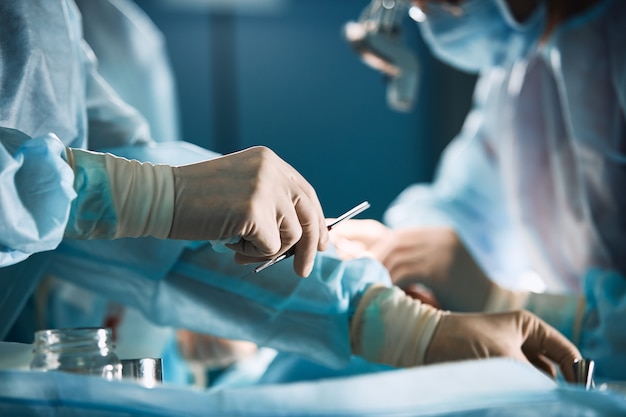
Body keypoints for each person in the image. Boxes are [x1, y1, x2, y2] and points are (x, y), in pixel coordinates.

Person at [0, 0, 581, 384]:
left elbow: (126, 197)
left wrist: (406, 327)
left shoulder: (49, 18)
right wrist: (151, 193)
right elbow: (120, 193)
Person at [331, 0, 626, 381]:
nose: (425, 8)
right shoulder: (518, 75)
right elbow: (468, 207)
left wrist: (501, 302)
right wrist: (409, 257)